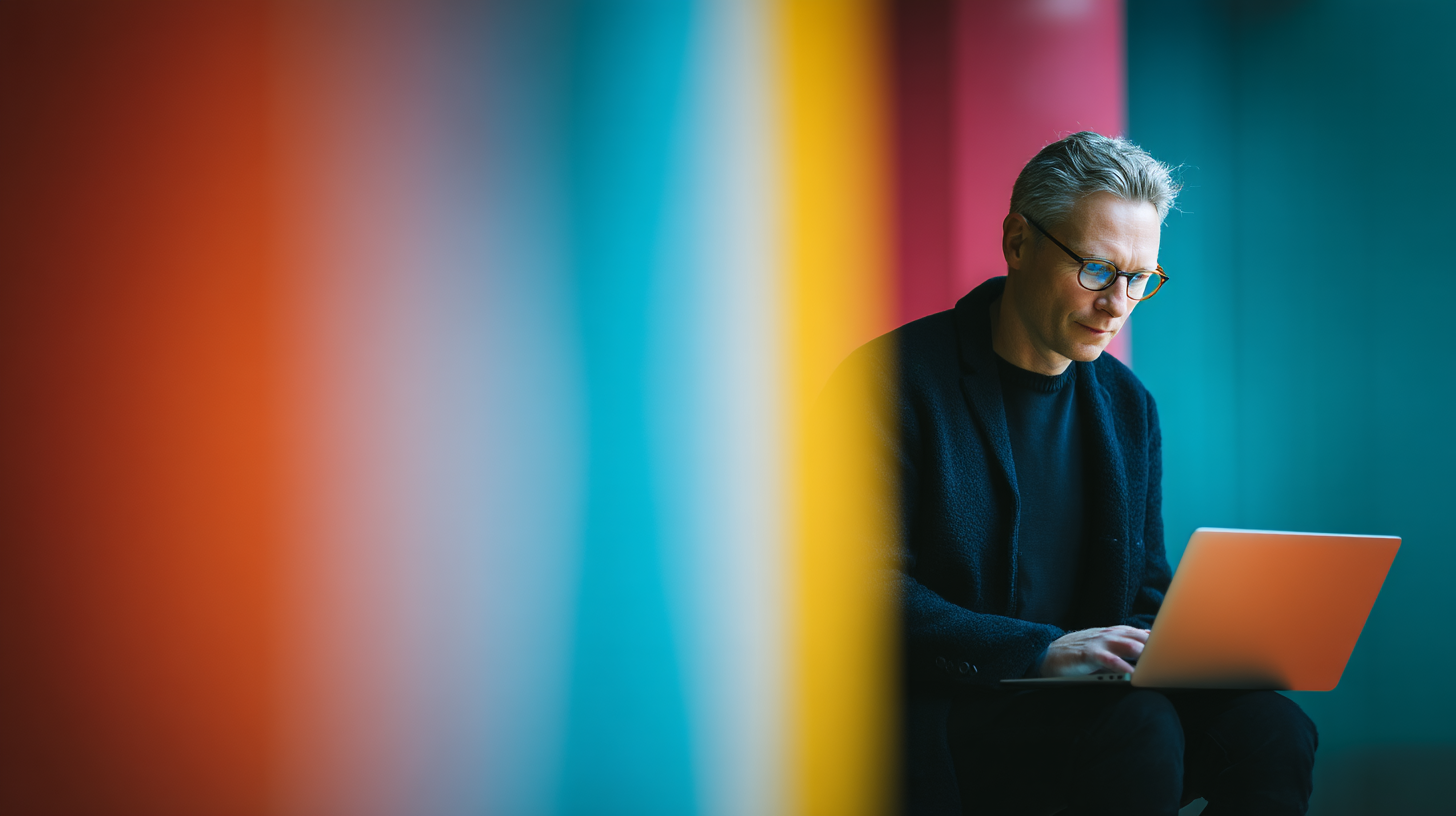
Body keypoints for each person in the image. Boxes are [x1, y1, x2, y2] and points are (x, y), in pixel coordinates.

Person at [822, 132, 1317, 815]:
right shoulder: (888, 383)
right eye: (1096, 269)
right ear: (1019, 242)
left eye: (1142, 277)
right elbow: (853, 592)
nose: (1119, 302)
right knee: (1136, 728)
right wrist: (1039, 652)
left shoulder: (1127, 405)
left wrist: (1191, 644)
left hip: (1091, 701)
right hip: (948, 706)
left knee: (1274, 730)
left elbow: (1143, 588)